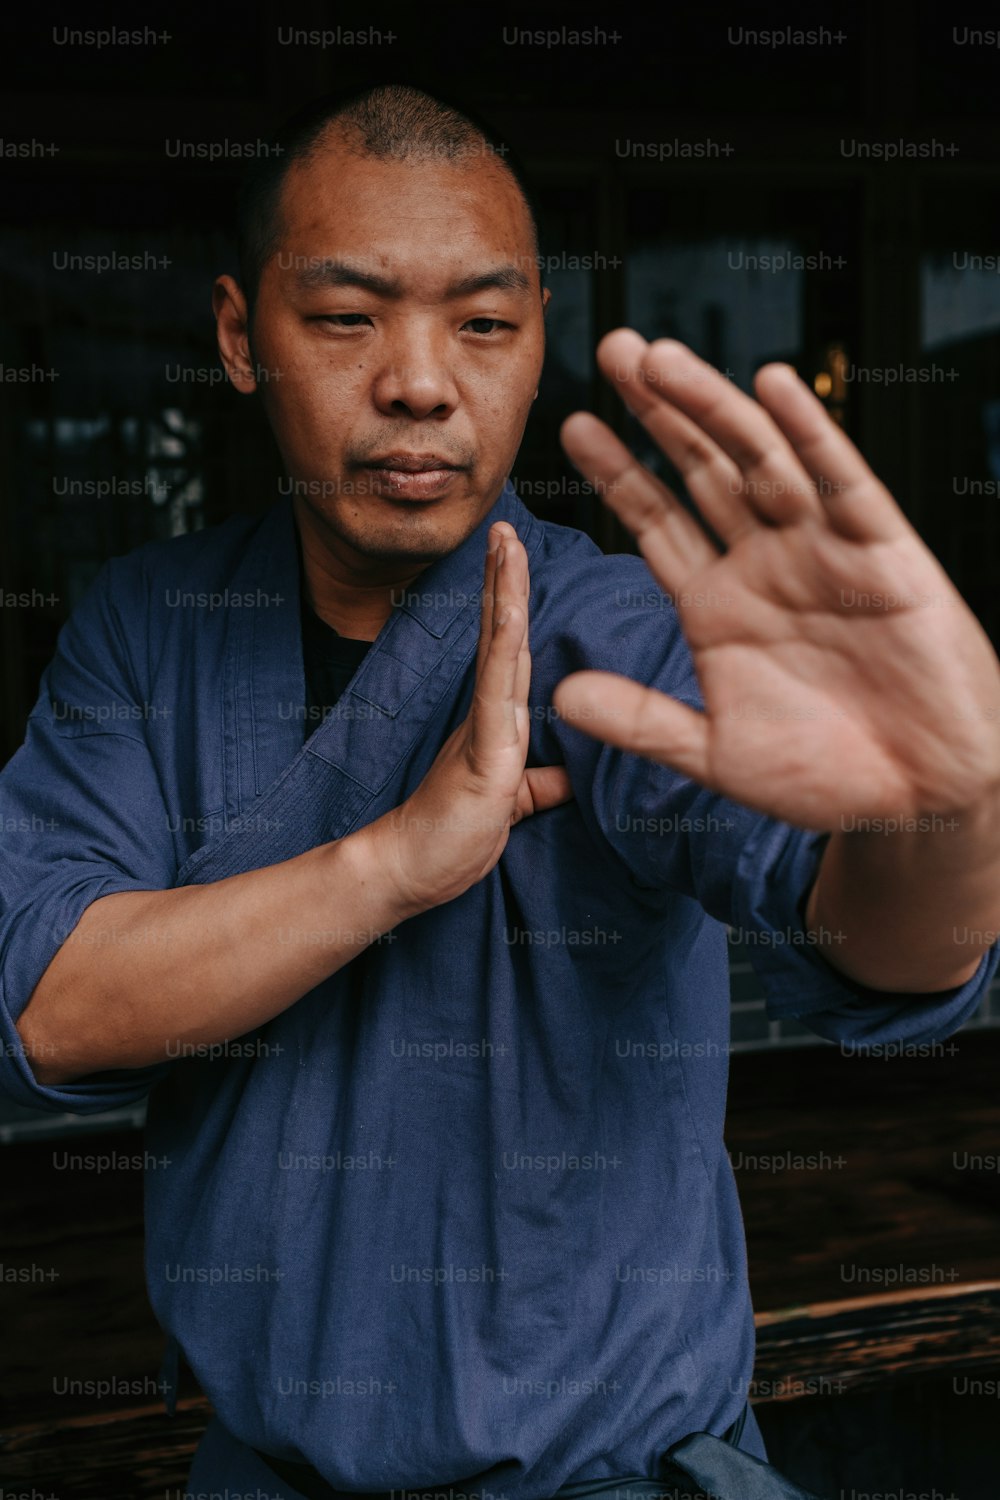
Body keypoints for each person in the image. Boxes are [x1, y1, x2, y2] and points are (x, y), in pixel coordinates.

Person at [3, 83, 1000, 1498]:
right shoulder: (146, 628)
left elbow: (886, 944)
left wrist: (952, 807)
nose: (420, 380)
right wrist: (397, 862)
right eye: (347, 319)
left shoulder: (618, 636)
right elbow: (50, 1002)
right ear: (240, 336)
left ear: (537, 350)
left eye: (484, 323)